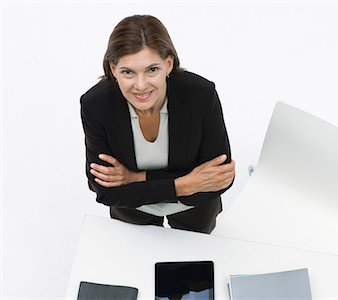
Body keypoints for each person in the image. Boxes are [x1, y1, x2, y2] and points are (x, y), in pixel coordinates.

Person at [80, 15, 235, 234]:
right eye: (128, 72)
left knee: (193, 262)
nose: (140, 86)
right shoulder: (96, 105)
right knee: (138, 264)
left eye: (152, 69)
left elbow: (220, 179)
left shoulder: (200, 95)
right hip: (132, 210)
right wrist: (184, 184)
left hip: (194, 208)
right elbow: (106, 193)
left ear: (168, 64)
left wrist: (134, 179)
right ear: (113, 69)